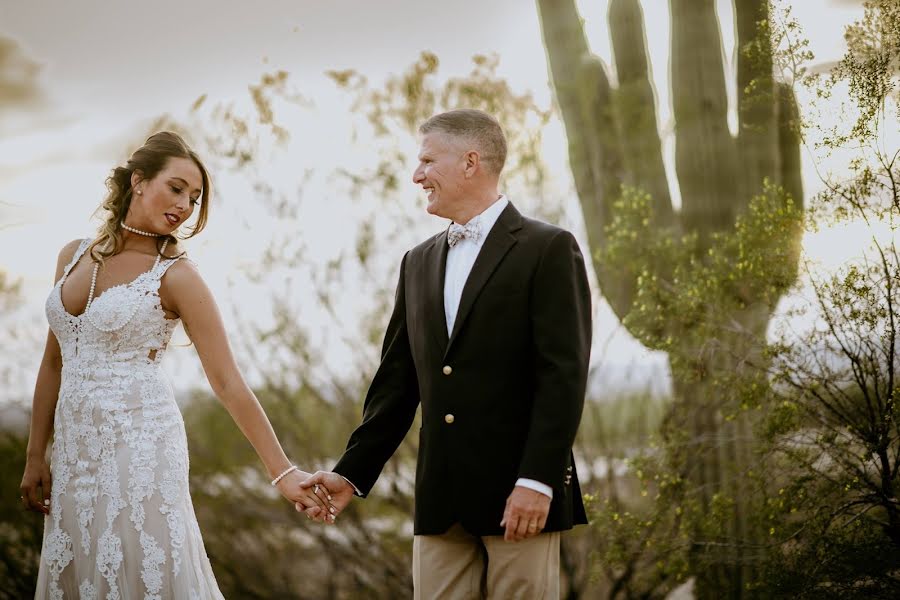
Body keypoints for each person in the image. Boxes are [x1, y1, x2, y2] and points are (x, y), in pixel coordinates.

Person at [19, 131, 332, 599]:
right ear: (139, 181)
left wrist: (283, 472)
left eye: (195, 197)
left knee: (141, 567)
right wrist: (34, 454)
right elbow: (52, 362)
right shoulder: (72, 255)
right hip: (74, 452)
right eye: (177, 188)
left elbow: (227, 382)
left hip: (141, 445)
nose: (185, 205)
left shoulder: (178, 276)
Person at [302, 109, 591, 599]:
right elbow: (396, 384)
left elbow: (562, 376)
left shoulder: (548, 248)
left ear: (470, 162)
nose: (417, 175)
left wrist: (539, 481)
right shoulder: (417, 262)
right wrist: (350, 473)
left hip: (521, 497)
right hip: (441, 500)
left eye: (428, 160)